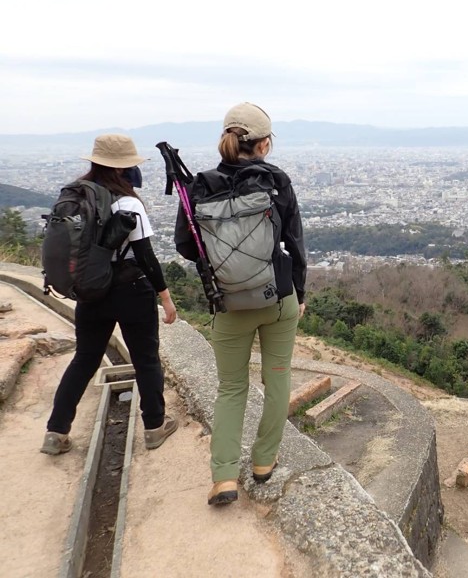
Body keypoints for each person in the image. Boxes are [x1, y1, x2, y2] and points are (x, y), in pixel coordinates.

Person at [174, 102, 307, 506]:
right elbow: (296, 243)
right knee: (277, 377)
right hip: (278, 297)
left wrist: (225, 265)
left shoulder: (198, 186)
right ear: (264, 144)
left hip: (228, 304)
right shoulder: (276, 181)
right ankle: (264, 463)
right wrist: (298, 294)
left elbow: (185, 245)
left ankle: (224, 478)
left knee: (232, 388)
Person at [41, 134, 179, 455]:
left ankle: (55, 431)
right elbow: (145, 256)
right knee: (145, 358)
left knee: (85, 359)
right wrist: (166, 297)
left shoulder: (78, 195)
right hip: (131, 290)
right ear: (121, 169)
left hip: (90, 290)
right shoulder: (128, 202)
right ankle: (155, 426)